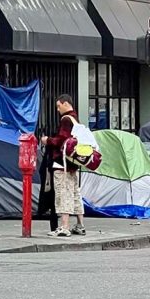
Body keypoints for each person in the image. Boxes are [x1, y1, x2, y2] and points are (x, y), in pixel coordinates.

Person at [41, 94, 86, 237]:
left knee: (62, 194)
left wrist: (47, 140)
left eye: (58, 106)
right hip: (73, 163)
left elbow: (61, 140)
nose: (57, 109)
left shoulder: (66, 119)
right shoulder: (75, 119)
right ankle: (80, 225)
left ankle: (64, 226)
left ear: (65, 103)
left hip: (62, 163)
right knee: (75, 193)